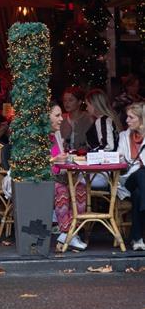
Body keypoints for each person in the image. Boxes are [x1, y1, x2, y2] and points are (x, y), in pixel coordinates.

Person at [49, 101, 87, 251]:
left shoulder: (57, 134)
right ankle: (67, 233)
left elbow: (59, 159)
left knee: (80, 188)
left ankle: (70, 234)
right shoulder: (37, 136)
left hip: (59, 177)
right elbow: (35, 163)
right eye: (57, 115)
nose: (61, 119)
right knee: (62, 191)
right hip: (42, 181)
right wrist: (54, 160)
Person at [116, 103, 145, 250]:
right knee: (140, 173)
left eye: (131, 117)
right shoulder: (123, 136)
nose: (126, 120)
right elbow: (120, 159)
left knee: (139, 195)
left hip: (141, 186)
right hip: (128, 180)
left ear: (141, 119)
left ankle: (137, 239)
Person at [60, 86, 93, 150]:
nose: (66, 103)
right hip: (63, 158)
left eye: (70, 100)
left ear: (79, 102)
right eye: (64, 100)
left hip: (84, 158)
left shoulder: (89, 119)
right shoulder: (60, 118)